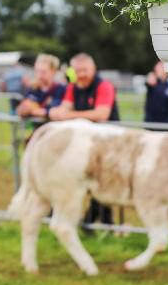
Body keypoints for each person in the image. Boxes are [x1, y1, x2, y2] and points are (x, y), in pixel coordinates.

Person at [49, 53, 119, 225]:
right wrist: (55, 112)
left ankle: (100, 219)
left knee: (101, 180)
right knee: (86, 178)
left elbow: (102, 114)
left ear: (93, 69)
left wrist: (69, 116)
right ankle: (97, 220)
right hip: (86, 144)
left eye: (85, 70)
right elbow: (63, 108)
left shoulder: (104, 86)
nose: (81, 74)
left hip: (108, 142)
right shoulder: (73, 88)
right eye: (78, 70)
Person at [16, 54, 65, 124]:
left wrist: (34, 110)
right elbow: (21, 109)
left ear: (53, 71)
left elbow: (57, 111)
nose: (39, 76)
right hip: (38, 130)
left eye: (43, 72)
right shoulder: (33, 88)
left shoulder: (61, 88)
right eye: (37, 71)